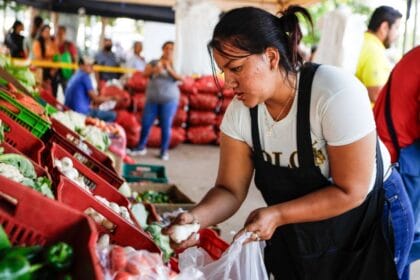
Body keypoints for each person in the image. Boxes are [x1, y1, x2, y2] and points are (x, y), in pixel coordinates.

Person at [165, 6, 413, 279]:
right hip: (302, 225)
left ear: (271, 56)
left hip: (368, 218)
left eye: (236, 68)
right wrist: (196, 219)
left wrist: (278, 215)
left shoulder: (332, 93)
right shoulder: (241, 112)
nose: (228, 82)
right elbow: (229, 189)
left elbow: (351, 190)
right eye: (224, 72)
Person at [374, 46, 420, 280]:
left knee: (401, 241)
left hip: (393, 153)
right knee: (401, 242)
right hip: (404, 159)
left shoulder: (416, 54)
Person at [128, 41, 182, 160]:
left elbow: (181, 78)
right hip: (152, 99)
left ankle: (164, 151)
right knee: (146, 123)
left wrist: (168, 69)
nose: (169, 51)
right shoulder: (154, 62)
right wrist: (155, 70)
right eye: (167, 48)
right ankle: (141, 147)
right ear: (163, 49)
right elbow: (144, 74)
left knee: (165, 125)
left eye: (171, 49)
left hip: (169, 100)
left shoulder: (175, 64)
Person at [355, 6, 402, 103]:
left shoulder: (361, 41)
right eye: (396, 28)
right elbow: (376, 94)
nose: (397, 34)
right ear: (384, 27)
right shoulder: (374, 50)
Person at [64, 57, 119, 122]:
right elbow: (96, 99)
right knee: (113, 115)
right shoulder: (84, 76)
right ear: (81, 65)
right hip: (81, 114)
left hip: (69, 110)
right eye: (89, 65)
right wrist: (112, 98)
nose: (92, 67)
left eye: (92, 65)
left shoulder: (76, 75)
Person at [33, 25, 59, 97]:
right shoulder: (37, 43)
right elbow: (39, 58)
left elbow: (57, 57)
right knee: (40, 92)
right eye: (46, 31)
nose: (48, 33)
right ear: (41, 32)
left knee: (52, 93)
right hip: (41, 71)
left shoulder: (53, 43)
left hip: (52, 71)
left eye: (49, 31)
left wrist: (54, 70)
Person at [54, 25, 79, 93]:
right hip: (54, 73)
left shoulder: (69, 45)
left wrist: (74, 74)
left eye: (61, 33)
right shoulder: (53, 44)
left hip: (66, 73)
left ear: (65, 34)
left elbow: (75, 59)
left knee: (67, 92)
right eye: (58, 33)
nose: (59, 35)